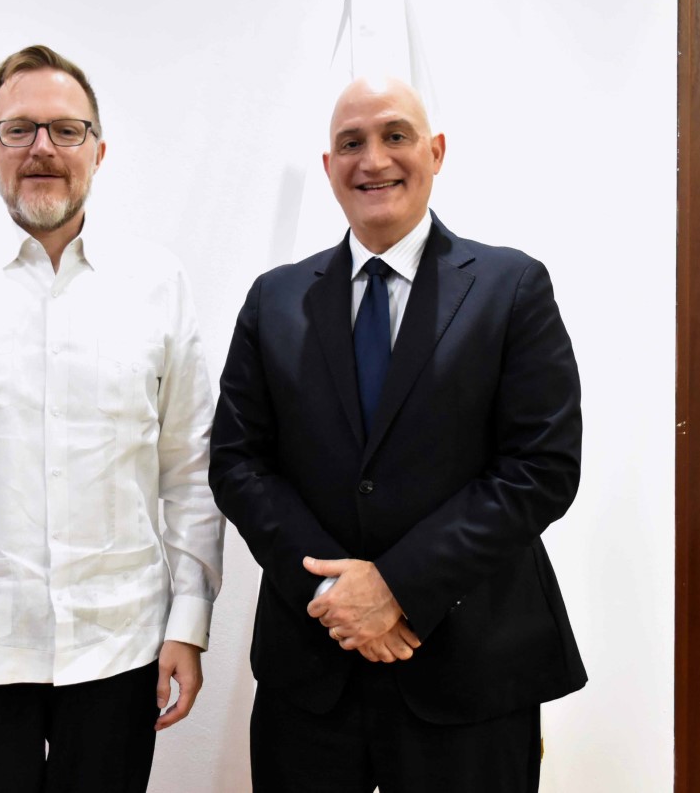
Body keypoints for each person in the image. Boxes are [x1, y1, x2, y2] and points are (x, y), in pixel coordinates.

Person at [0, 45, 224, 793]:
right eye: (19, 129)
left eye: (66, 130)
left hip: (119, 649)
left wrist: (189, 621)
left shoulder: (159, 286)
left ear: (99, 150)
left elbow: (190, 470)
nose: (42, 149)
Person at [209, 76, 586, 793]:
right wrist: (337, 593)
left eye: (395, 136)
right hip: (312, 672)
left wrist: (396, 587)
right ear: (329, 168)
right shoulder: (274, 299)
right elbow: (238, 463)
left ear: (435, 152)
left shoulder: (511, 287)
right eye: (351, 143)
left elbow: (541, 468)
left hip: (471, 672)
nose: (373, 159)